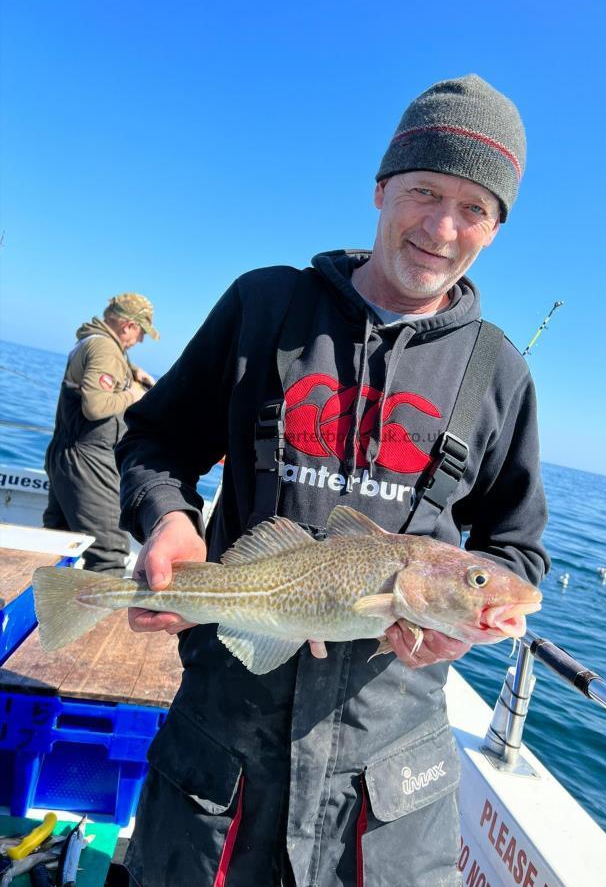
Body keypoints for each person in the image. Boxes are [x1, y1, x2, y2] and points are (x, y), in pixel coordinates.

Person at [117, 75, 549, 886]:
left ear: (495, 228)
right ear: (382, 187)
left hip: (389, 788)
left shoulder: (499, 372)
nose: (442, 227)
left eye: (474, 208)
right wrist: (167, 518)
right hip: (220, 751)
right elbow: (156, 439)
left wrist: (469, 624)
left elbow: (516, 548)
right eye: (424, 190)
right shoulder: (264, 305)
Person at [44, 293, 159, 576]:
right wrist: (132, 394)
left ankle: (45, 611)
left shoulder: (92, 341)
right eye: (141, 331)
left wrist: (130, 369)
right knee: (108, 554)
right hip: (88, 460)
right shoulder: (105, 350)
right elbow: (96, 407)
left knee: (56, 541)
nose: (141, 339)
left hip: (65, 456)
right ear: (128, 325)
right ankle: (97, 621)